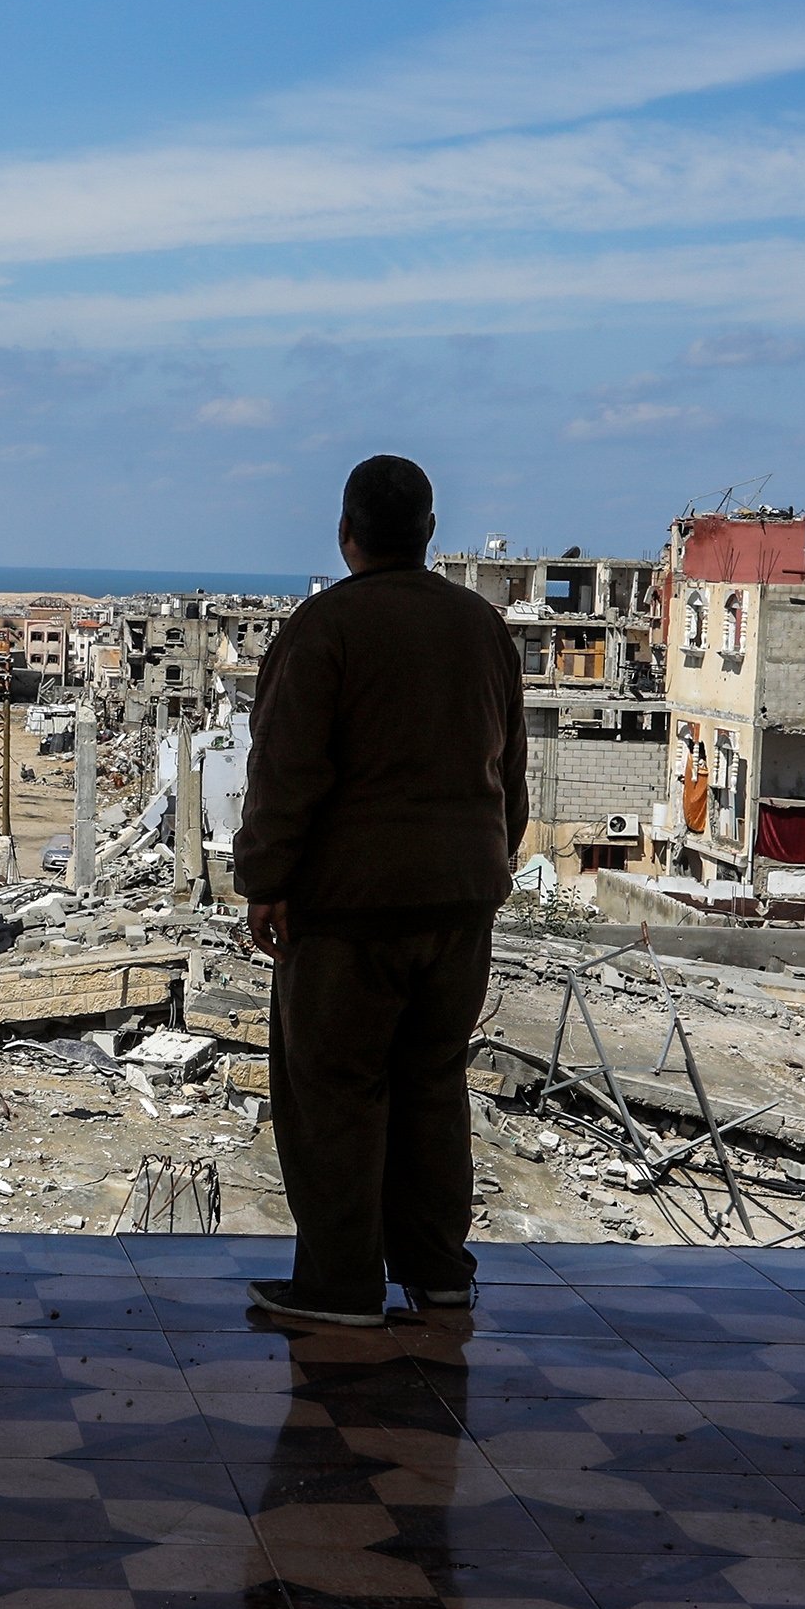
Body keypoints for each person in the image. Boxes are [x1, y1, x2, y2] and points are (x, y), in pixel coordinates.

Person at [231, 455, 525, 1326]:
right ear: (430, 532)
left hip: (351, 910)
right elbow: (510, 768)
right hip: (459, 902)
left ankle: (340, 1284)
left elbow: (286, 771)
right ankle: (439, 1272)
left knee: (335, 1091)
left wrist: (266, 881)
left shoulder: (326, 628)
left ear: (345, 534)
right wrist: (489, 870)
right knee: (434, 1084)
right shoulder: (481, 627)